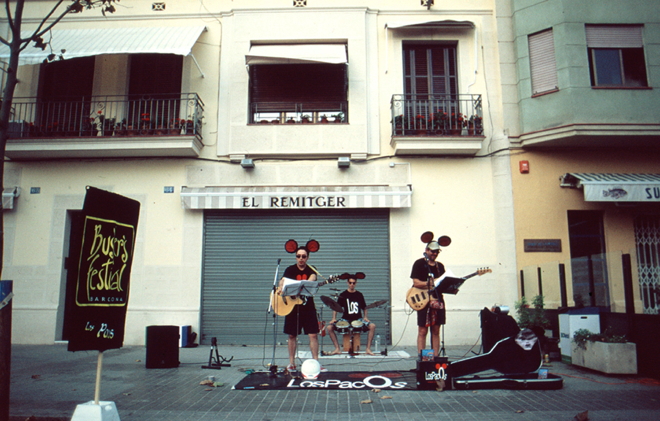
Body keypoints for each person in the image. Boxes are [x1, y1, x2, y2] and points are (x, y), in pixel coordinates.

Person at [278, 244, 322, 372]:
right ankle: (291, 363)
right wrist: (281, 287)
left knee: (313, 335)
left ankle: (316, 362)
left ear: (308, 257)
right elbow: (283, 280)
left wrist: (306, 283)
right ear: (296, 257)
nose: (301, 259)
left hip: (308, 307)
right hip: (292, 307)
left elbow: (312, 279)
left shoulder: (312, 269)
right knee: (292, 335)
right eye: (298, 256)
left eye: (303, 256)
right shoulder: (290, 269)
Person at [326, 273, 377, 355]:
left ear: (356, 283)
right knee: (329, 327)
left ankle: (368, 349)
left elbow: (364, 307)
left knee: (372, 326)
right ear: (347, 283)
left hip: (358, 319)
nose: (352, 284)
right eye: (350, 283)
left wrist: (365, 317)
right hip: (345, 319)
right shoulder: (343, 294)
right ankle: (337, 348)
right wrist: (333, 318)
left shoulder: (359, 295)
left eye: (353, 283)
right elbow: (336, 307)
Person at [410, 240, 446, 357]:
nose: (435, 254)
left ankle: (435, 357)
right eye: (432, 251)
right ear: (426, 250)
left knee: (436, 330)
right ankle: (422, 357)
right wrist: (428, 283)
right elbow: (416, 283)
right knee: (422, 330)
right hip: (423, 301)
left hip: (437, 300)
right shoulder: (419, 263)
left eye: (437, 252)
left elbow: (443, 284)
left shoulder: (440, 266)